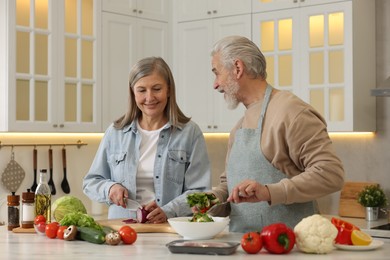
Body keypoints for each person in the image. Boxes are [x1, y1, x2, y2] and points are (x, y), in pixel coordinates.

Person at [207, 36, 345, 232]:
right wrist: (212, 199)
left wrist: (269, 192)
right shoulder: (239, 128)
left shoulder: (291, 111)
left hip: (290, 246)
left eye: (217, 73)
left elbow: (331, 174)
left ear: (237, 68)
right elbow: (229, 185)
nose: (215, 84)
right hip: (245, 246)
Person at [83, 57, 211, 223]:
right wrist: (110, 188)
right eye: (141, 90)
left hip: (170, 230)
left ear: (169, 90)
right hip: (123, 232)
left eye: (157, 89)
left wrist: (169, 211)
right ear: (133, 92)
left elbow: (200, 192)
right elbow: (91, 182)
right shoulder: (115, 132)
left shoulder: (189, 133)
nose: (149, 97)